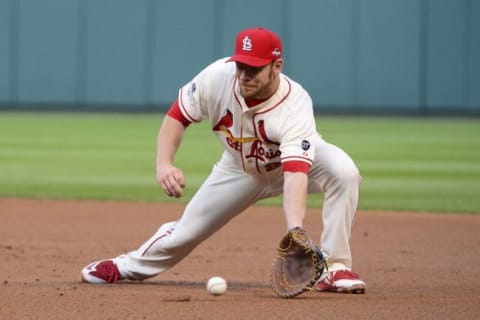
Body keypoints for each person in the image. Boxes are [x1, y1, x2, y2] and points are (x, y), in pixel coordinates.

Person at [81, 27, 366, 294]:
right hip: (238, 169)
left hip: (292, 163)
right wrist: (164, 164)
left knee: (344, 173)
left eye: (254, 69)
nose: (244, 75)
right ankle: (125, 266)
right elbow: (177, 116)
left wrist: (295, 231)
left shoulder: (295, 104)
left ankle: (335, 267)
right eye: (241, 66)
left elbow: (295, 173)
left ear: (276, 67)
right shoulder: (217, 77)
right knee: (184, 233)